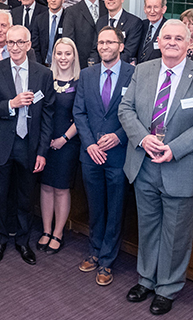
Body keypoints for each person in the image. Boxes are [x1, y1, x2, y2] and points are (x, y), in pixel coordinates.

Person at [119, 19, 193, 315]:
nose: (172, 42)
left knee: (176, 233)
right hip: (145, 163)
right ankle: (146, 279)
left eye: (180, 38)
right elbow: (125, 109)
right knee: (148, 226)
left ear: (190, 43)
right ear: (158, 41)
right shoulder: (143, 70)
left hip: (181, 165)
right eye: (167, 37)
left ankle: (167, 288)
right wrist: (143, 139)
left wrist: (174, 149)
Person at [0, 25, 55, 266]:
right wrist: (11, 104)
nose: (14, 47)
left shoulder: (43, 74)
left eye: (19, 42)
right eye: (10, 42)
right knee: (0, 195)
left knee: (25, 198)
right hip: (1, 144)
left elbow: (47, 117)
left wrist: (42, 152)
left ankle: (23, 241)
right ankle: (0, 240)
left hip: (29, 145)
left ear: (28, 45)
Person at [74, 26, 135, 286]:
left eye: (110, 42)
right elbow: (79, 113)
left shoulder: (135, 75)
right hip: (91, 154)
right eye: (101, 42)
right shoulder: (87, 75)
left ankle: (108, 260)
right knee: (95, 205)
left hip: (119, 154)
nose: (105, 46)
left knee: (115, 208)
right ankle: (95, 251)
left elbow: (139, 113)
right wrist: (89, 144)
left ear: (121, 46)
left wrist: (119, 136)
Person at [38, 38, 80, 255]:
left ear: (74, 56)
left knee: (61, 189)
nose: (63, 58)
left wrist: (64, 138)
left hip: (67, 143)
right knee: (45, 186)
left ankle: (58, 232)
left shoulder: (80, 82)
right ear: (53, 55)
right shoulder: (46, 79)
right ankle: (45, 231)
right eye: (59, 53)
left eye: (67, 53)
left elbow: (82, 115)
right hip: (45, 142)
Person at [91, 0, 143, 65]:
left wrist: (109, 65)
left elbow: (129, 52)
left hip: (121, 70)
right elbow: (95, 49)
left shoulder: (134, 22)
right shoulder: (100, 22)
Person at [30, 0, 66, 66]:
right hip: (42, 66)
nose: (53, 0)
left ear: (63, 0)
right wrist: (40, 66)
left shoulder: (68, 18)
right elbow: (35, 47)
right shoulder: (39, 19)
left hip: (63, 65)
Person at [135, 0, 168, 65]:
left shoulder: (168, 28)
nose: (152, 11)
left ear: (163, 9)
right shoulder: (140, 25)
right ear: (145, 9)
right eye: (149, 7)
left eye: (156, 7)